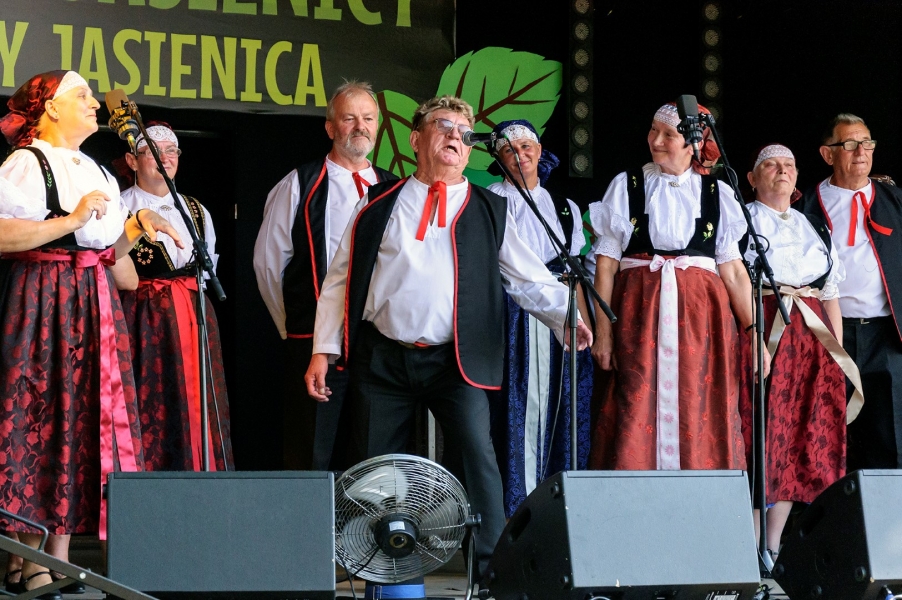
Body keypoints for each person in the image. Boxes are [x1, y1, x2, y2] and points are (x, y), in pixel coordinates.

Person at [304, 95, 592, 579]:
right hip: (384, 358)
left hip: (456, 360)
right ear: (416, 139)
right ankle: (380, 569)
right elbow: (340, 279)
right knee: (377, 469)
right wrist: (322, 350)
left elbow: (528, 277)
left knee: (479, 461)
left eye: (464, 132)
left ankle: (494, 572)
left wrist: (566, 315)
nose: (455, 137)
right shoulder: (377, 202)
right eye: (443, 126)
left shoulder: (489, 209)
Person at [0, 70, 181, 598]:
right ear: (51, 108)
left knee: (76, 423)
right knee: (36, 416)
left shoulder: (97, 169)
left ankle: (54, 558)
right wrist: (71, 219)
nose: (95, 104)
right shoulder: (26, 162)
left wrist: (136, 228)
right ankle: (25, 556)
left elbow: (114, 267)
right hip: (43, 298)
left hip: (92, 300)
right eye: (82, 96)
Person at [588, 101, 767, 471]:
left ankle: (698, 499)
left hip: (702, 323)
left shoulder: (717, 193)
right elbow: (605, 266)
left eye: (667, 134)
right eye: (653, 131)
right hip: (638, 316)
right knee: (635, 402)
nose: (655, 140)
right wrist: (603, 332)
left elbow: (734, 273)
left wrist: (755, 335)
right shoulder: (628, 186)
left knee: (699, 403)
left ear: (693, 143)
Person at [253, 81, 397, 470]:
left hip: (378, 345)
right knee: (313, 449)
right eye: (349, 118)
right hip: (314, 339)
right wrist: (294, 327)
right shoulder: (299, 183)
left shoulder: (394, 188)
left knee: (373, 450)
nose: (360, 126)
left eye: (368, 118)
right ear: (331, 127)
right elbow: (268, 265)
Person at [741, 143, 860, 559]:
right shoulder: (742, 222)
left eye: (789, 165)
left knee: (797, 438)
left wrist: (836, 355)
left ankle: (772, 545)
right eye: (771, 165)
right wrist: (753, 338)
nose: (782, 170)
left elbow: (830, 295)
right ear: (752, 178)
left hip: (813, 340)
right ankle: (748, 543)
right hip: (766, 333)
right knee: (762, 435)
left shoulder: (813, 226)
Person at [485, 119, 593, 517]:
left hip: (560, 313)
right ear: (498, 158)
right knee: (515, 412)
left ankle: (559, 514)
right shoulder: (490, 200)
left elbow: (576, 274)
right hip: (510, 316)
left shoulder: (564, 207)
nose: (520, 154)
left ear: (539, 150)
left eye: (526, 146)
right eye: (509, 149)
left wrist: (583, 322)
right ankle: (513, 514)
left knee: (563, 412)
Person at [118, 121, 234, 471]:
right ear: (132, 160)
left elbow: (208, 264)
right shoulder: (121, 207)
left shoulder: (195, 209)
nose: (164, 158)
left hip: (193, 311)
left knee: (199, 395)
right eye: (153, 152)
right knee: (152, 393)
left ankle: (201, 471)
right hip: (142, 316)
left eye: (172, 151)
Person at [797, 114, 902, 471]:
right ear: (828, 154)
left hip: (886, 335)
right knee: (826, 435)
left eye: (867, 143)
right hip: (829, 334)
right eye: (850, 144)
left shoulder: (893, 199)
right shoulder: (806, 205)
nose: (861, 152)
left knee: (890, 437)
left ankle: (890, 509)